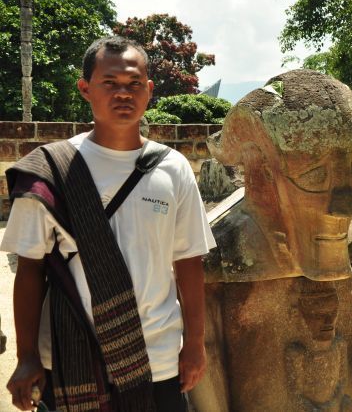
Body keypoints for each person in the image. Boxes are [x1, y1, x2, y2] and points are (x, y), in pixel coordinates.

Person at [2, 35, 216, 411]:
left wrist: (195, 346)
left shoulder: (173, 168)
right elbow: (30, 269)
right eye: (110, 83)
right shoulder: (51, 169)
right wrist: (27, 356)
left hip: (158, 358)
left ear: (149, 91)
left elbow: (188, 261)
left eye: (134, 84)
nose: (124, 93)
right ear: (86, 88)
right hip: (73, 357)